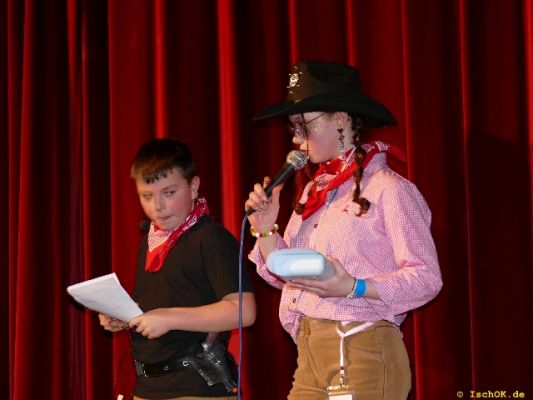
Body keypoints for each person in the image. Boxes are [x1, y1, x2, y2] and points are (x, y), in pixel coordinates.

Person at [245, 60, 442, 400]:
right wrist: (265, 232)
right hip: (309, 353)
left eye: (303, 125)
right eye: (292, 127)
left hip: (361, 347)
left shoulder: (389, 189)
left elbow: (427, 278)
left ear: (340, 118)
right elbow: (287, 277)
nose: (296, 138)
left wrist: (354, 286)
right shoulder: (313, 191)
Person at [99, 138, 256, 400]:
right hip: (148, 387)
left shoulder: (211, 238)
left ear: (193, 187)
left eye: (169, 193)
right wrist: (124, 316)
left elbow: (243, 310)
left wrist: (169, 318)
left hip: (198, 388)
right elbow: (162, 303)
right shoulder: (150, 241)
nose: (157, 206)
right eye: (147, 196)